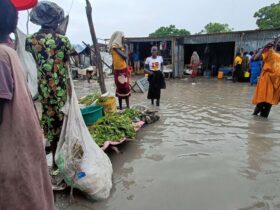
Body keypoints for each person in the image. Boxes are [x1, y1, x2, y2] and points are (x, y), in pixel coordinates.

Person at [0, 0, 54, 209]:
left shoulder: (11, 51)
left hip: (43, 96)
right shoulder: (10, 52)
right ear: (14, 25)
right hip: (34, 123)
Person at [25, 1, 72, 168]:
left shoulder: (31, 40)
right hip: (60, 91)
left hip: (44, 93)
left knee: (50, 126)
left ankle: (54, 162)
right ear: (56, 19)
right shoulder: (63, 41)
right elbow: (66, 61)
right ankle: (64, 158)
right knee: (64, 123)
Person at [252, 39, 280, 118]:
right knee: (261, 101)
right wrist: (264, 47)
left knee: (269, 104)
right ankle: (255, 119)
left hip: (277, 83)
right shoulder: (270, 52)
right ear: (275, 43)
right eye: (279, 42)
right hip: (267, 80)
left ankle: (262, 123)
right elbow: (256, 58)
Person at [108, 31, 131, 110]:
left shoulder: (120, 47)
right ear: (119, 37)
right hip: (118, 71)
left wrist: (125, 49)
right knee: (120, 88)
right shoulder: (115, 47)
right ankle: (121, 108)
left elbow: (125, 59)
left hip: (123, 69)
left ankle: (127, 107)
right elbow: (125, 57)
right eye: (123, 37)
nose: (124, 39)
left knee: (126, 88)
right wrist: (127, 49)